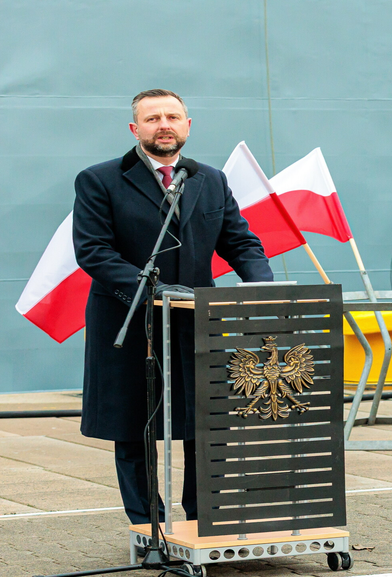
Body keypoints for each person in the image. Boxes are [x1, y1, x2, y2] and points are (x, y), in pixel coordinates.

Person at [73, 89, 274, 525]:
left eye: (172, 116)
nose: (163, 124)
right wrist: (158, 291)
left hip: (195, 323)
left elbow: (240, 242)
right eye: (152, 118)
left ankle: (204, 517)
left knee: (202, 421)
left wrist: (262, 287)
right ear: (135, 129)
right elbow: (94, 252)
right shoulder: (99, 180)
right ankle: (149, 527)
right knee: (134, 426)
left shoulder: (210, 179)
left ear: (187, 125)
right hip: (129, 320)